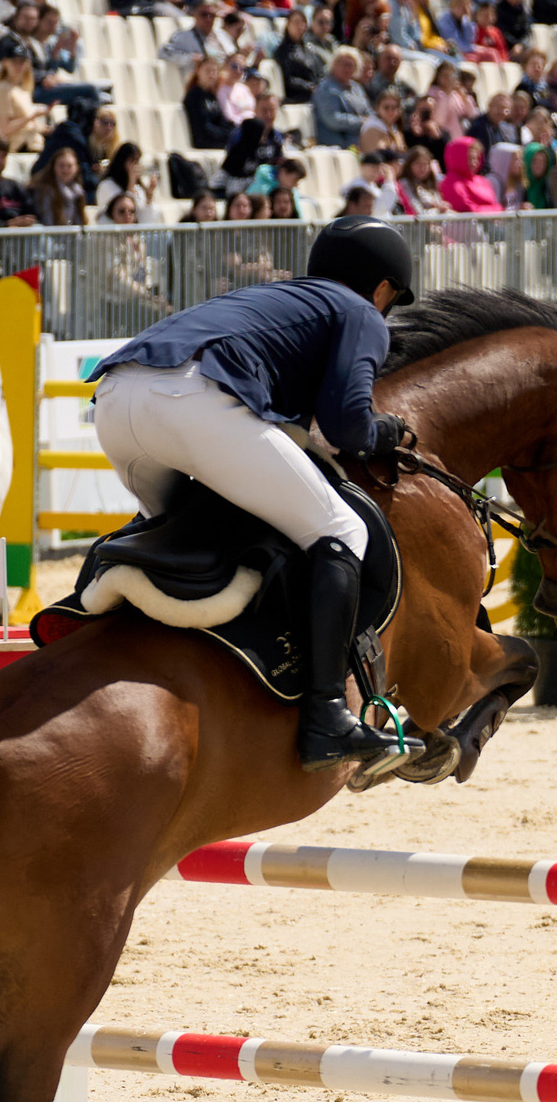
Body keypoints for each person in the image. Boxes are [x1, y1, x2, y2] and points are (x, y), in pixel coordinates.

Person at [88, 217, 422, 773]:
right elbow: (346, 427)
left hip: (117, 397)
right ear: (384, 288)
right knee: (341, 531)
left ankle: (86, 619)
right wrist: (385, 431)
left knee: (179, 534)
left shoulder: (276, 296)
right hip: (191, 402)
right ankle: (326, 717)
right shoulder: (360, 310)